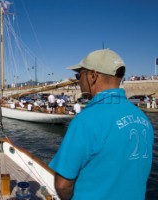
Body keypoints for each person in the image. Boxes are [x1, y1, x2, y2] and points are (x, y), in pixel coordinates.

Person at [49, 49, 153, 199]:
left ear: (92, 76)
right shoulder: (142, 118)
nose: (78, 81)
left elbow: (62, 185)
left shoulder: (86, 120)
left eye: (79, 75)